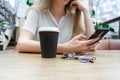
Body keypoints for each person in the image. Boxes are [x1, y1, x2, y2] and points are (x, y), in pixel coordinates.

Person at [16, 0, 99, 53]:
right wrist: (64, 48)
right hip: (40, 66)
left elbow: (91, 45)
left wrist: (85, 11)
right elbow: (21, 44)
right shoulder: (36, 12)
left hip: (65, 69)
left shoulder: (73, 16)